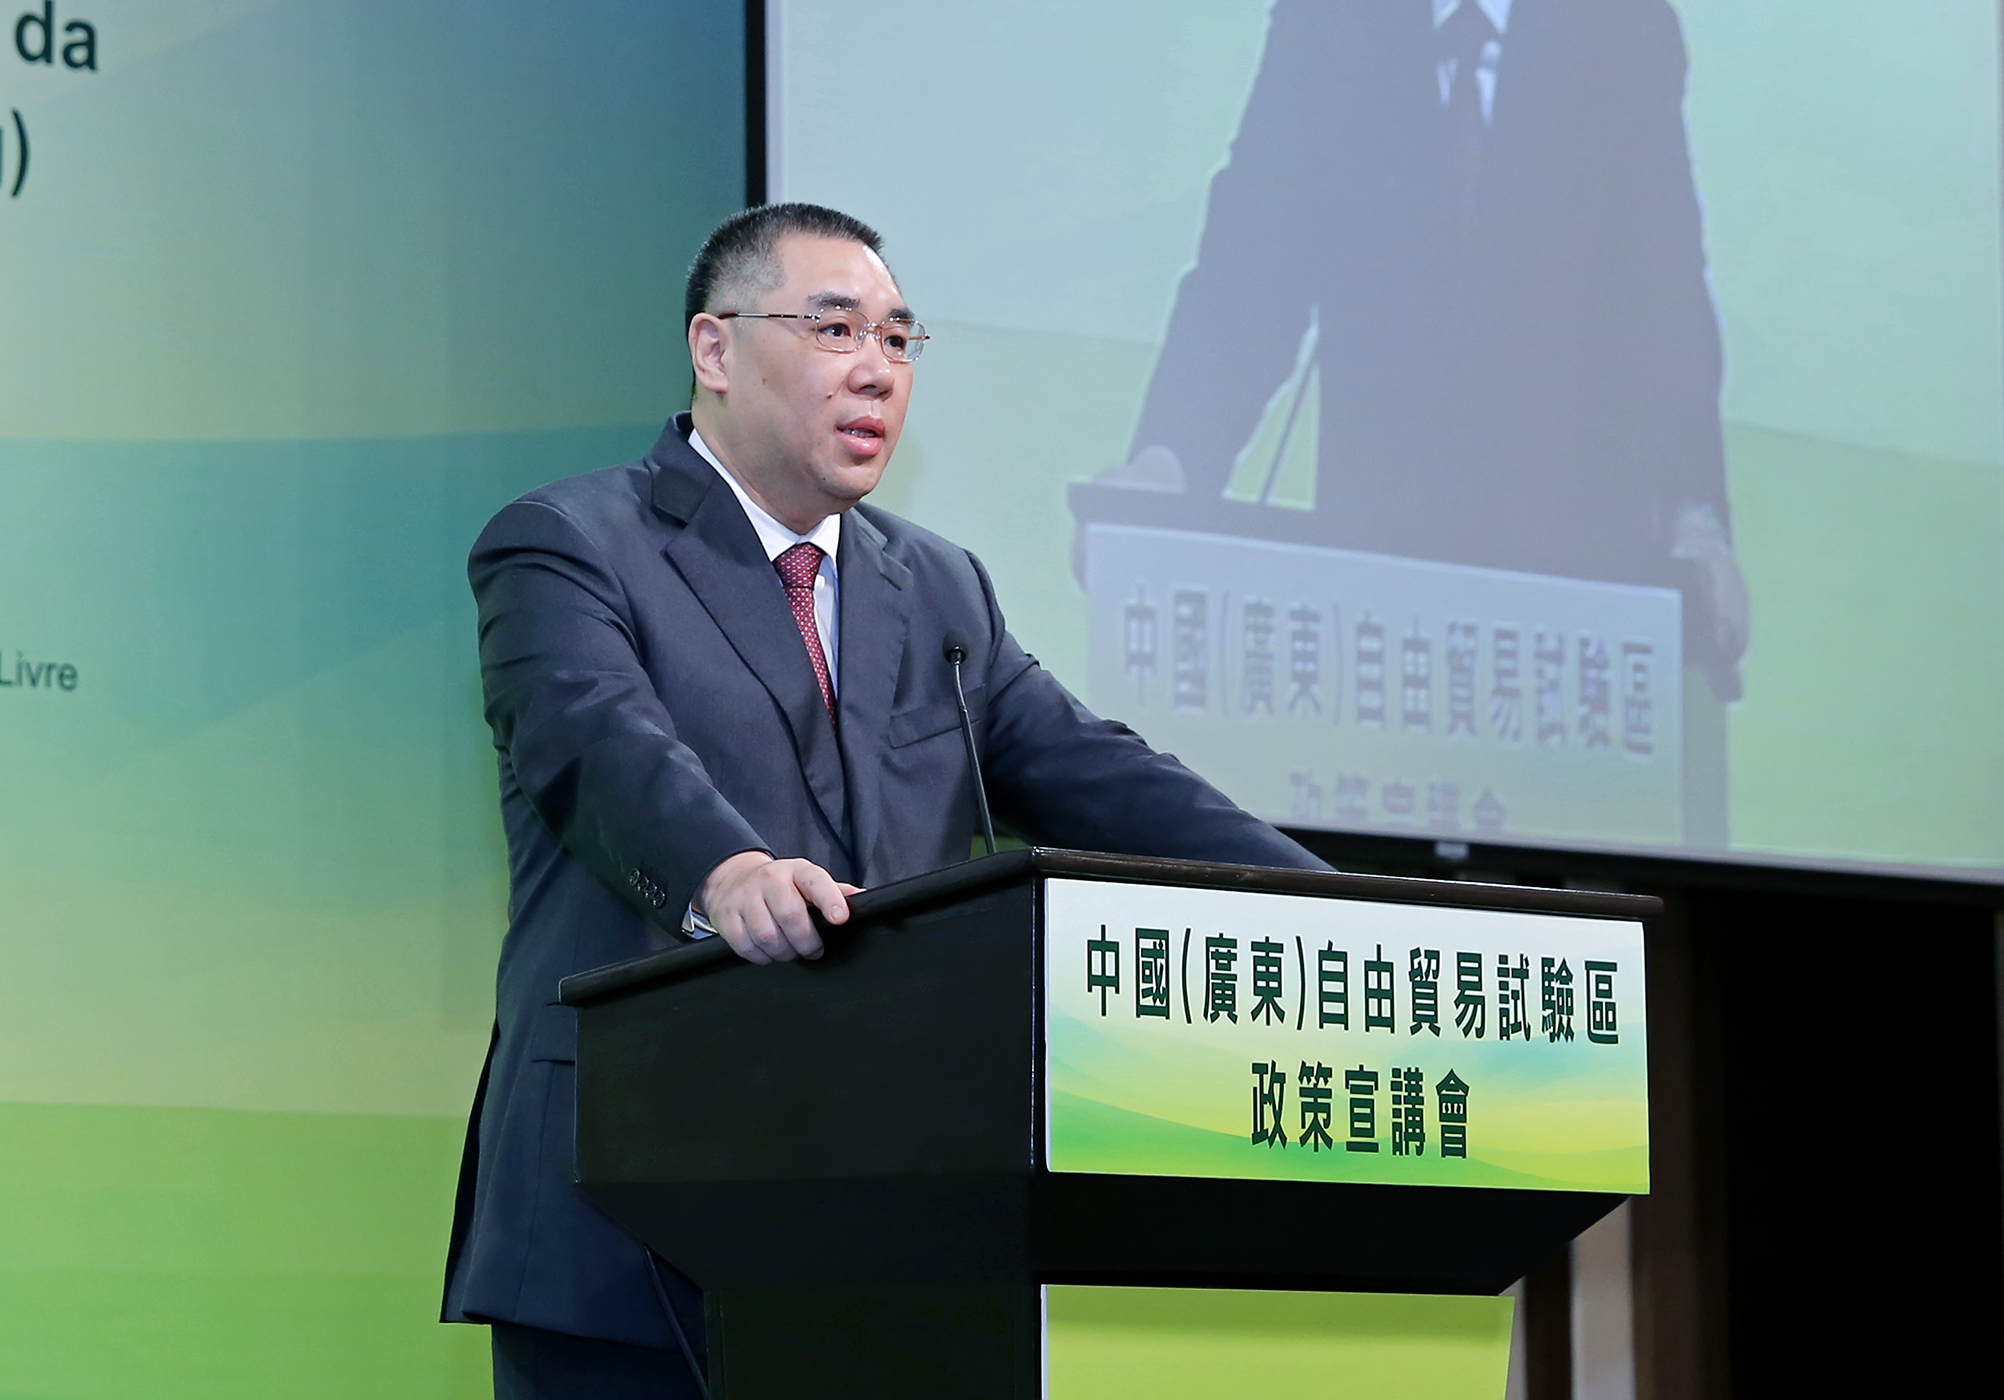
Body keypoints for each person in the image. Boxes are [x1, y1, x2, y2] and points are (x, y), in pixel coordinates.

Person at [441, 202, 1331, 1398]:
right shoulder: (569, 541)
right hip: (626, 1207)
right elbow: (596, 743)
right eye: (834, 328)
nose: (876, 368)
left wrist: (1339, 905)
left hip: (881, 1217)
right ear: (714, 348)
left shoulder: (940, 588)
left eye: (899, 339)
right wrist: (727, 872)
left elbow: (1103, 773)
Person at [1117, 0, 1749, 696]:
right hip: (1378, 584)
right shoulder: (1332, 20)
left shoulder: (1617, 25)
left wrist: (1695, 513)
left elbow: (1662, 293)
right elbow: (1251, 269)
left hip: (1571, 584)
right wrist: (1169, 459)